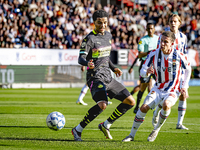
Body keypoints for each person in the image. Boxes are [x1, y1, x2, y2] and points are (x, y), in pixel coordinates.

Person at [71, 10, 135, 141]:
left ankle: (106, 124)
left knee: (130, 101)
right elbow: (80, 58)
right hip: (95, 77)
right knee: (102, 104)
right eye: (100, 23)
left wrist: (114, 68)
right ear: (94, 23)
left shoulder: (108, 36)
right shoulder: (89, 39)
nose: (103, 25)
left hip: (108, 77)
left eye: (105, 22)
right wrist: (87, 63)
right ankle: (78, 130)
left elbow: (106, 57)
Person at [122, 31, 191, 142]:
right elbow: (143, 70)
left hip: (173, 90)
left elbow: (188, 69)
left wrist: (184, 86)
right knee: (143, 108)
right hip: (158, 88)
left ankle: (156, 129)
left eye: (165, 42)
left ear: (172, 43)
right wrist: (147, 72)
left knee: (166, 105)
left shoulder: (179, 55)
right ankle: (131, 135)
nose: (162, 44)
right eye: (161, 41)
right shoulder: (154, 53)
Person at [152, 14, 190, 130]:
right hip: (167, 70)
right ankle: (157, 111)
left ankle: (179, 123)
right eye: (171, 21)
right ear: (168, 23)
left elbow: (185, 53)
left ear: (179, 23)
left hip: (180, 70)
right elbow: (159, 51)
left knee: (183, 94)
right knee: (165, 93)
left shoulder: (183, 37)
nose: (173, 23)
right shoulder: (163, 37)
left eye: (175, 21)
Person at [132, 23, 159, 114]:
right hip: (146, 64)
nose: (150, 30)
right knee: (143, 87)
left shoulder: (158, 38)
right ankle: (137, 107)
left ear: (154, 29)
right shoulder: (142, 40)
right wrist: (150, 52)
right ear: (146, 29)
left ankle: (155, 104)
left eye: (152, 28)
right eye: (148, 29)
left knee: (159, 84)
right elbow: (140, 54)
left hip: (156, 64)